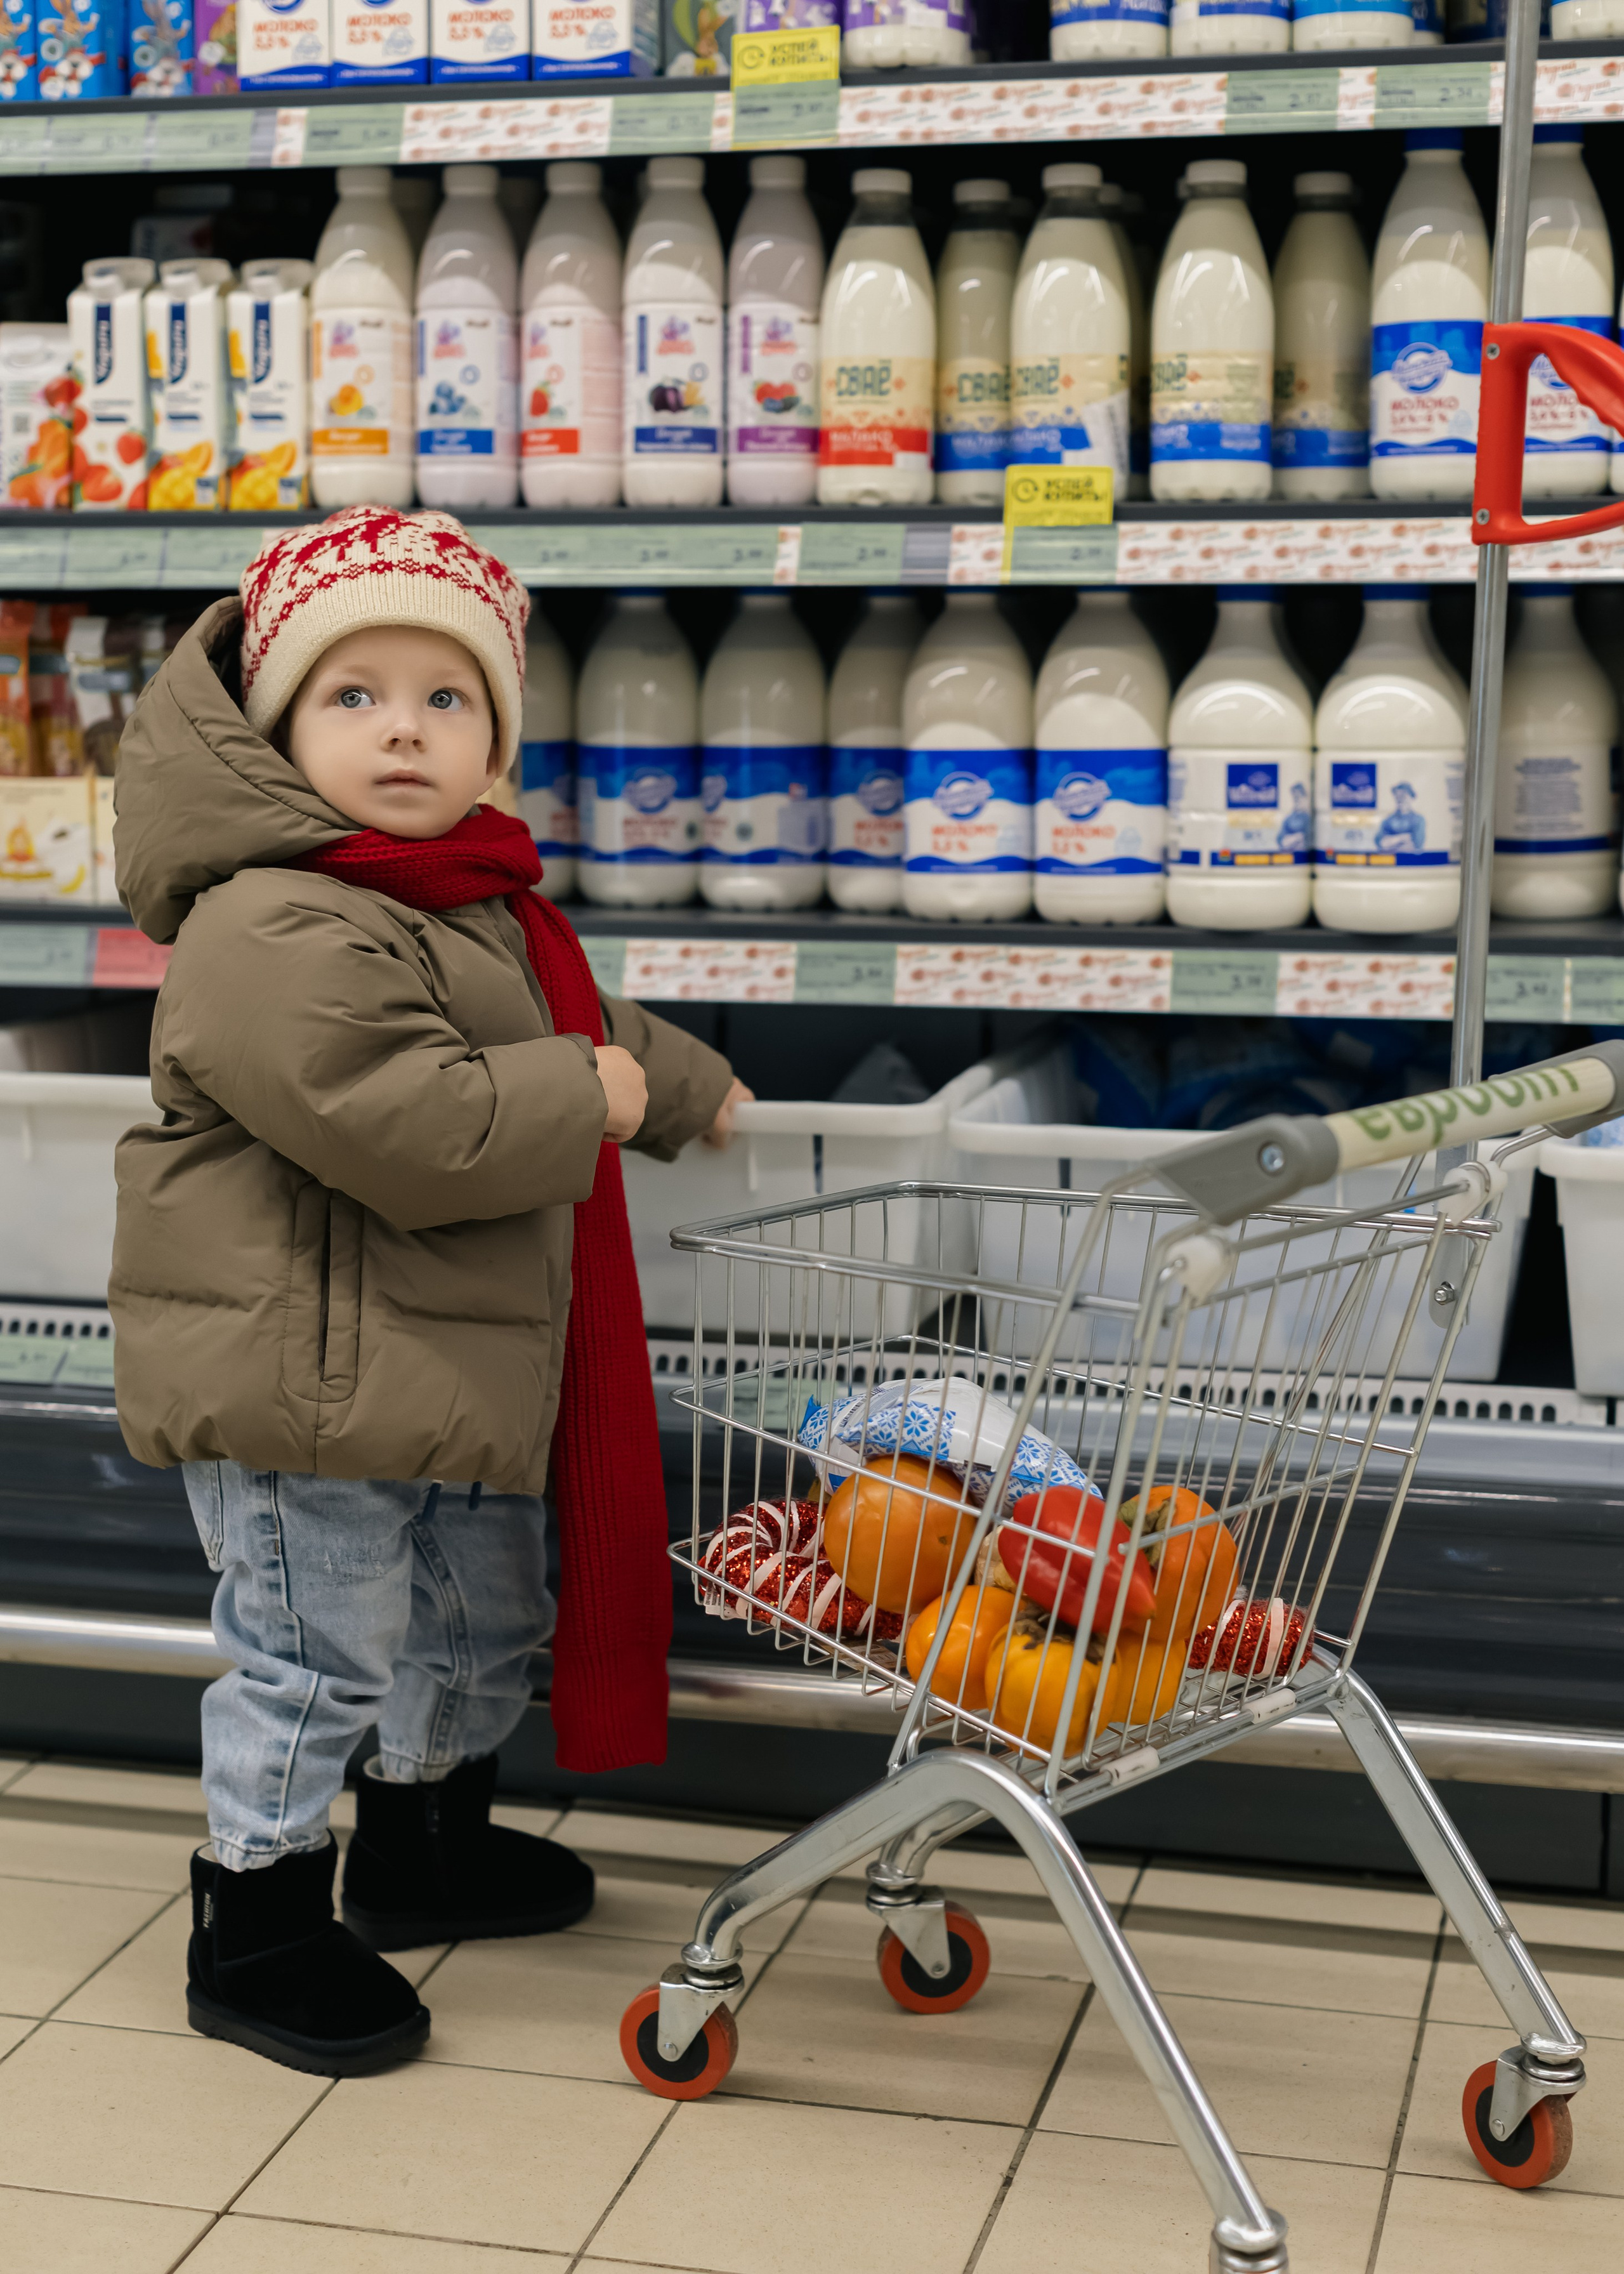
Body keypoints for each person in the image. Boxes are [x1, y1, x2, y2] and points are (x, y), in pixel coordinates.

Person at [108, 508, 748, 2080]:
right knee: (316, 1651)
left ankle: (421, 1842)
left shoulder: (464, 902)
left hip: (436, 1361)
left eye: (445, 697)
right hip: (300, 1384)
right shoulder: (269, 914)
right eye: (354, 694)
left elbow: (566, 1018)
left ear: (496, 745)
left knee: (477, 1616)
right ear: (274, 731)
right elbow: (407, 1117)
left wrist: (678, 1084)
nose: (403, 726)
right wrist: (592, 1096)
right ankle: (255, 1920)